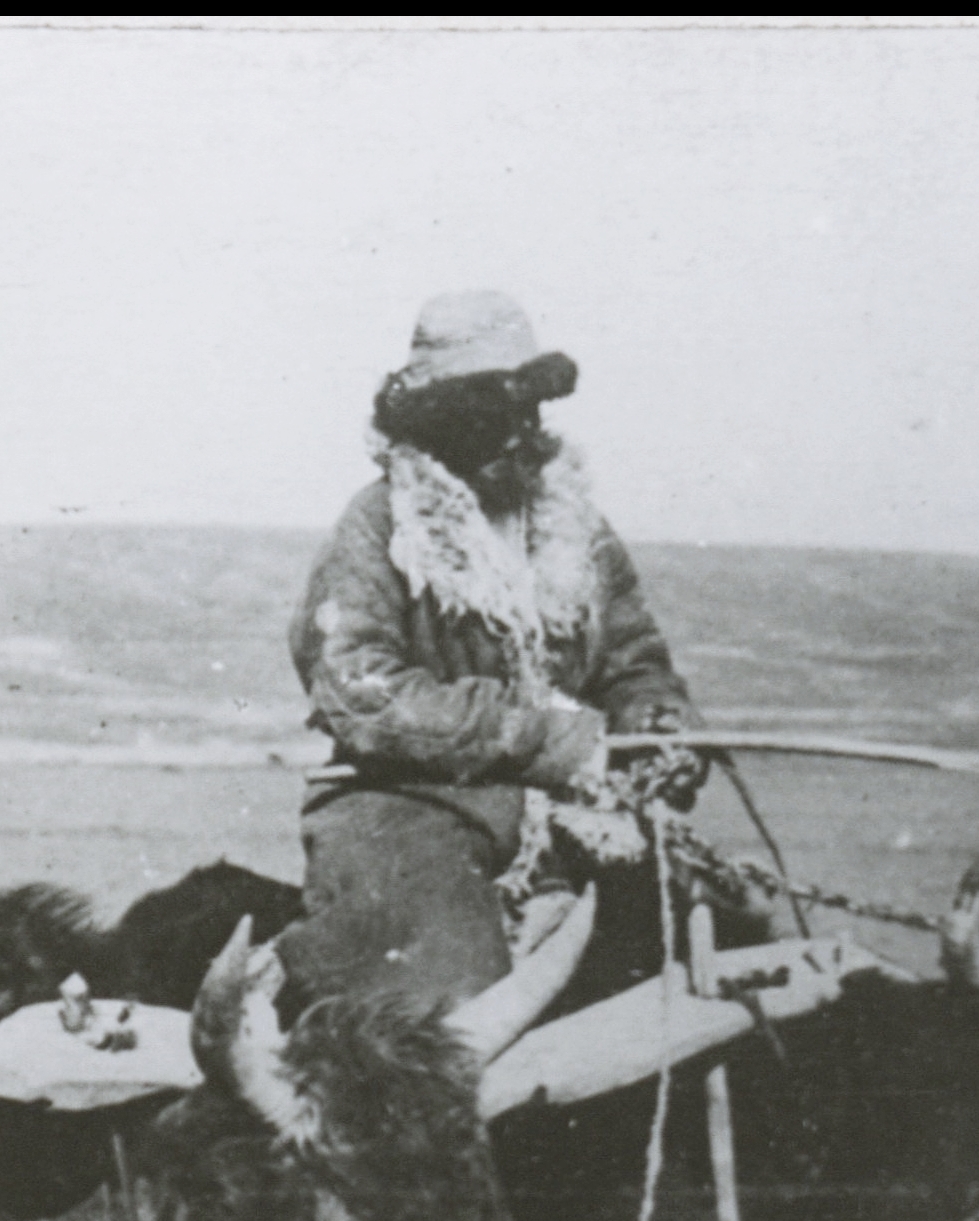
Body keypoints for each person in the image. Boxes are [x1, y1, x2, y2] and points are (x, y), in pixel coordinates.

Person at [276, 291, 705, 1011]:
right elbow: (360, 690)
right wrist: (544, 736)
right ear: (439, 424)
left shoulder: (573, 524)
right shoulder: (379, 525)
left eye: (528, 411)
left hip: (569, 810)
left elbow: (633, 660)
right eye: (492, 417)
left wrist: (658, 727)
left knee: (704, 956)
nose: (519, 435)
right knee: (451, 1003)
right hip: (407, 808)